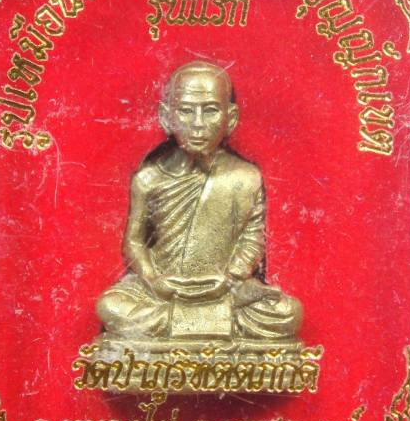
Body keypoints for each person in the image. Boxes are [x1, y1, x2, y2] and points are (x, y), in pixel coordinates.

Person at [96, 60, 302, 341]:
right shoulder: (148, 179)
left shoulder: (245, 177)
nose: (197, 124)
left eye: (210, 110)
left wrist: (231, 278)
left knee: (287, 312)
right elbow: (134, 241)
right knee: (111, 306)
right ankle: (213, 324)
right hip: (165, 290)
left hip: (225, 289)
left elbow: (252, 238)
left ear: (230, 118)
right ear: (166, 117)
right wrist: (154, 280)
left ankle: (185, 324)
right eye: (185, 110)